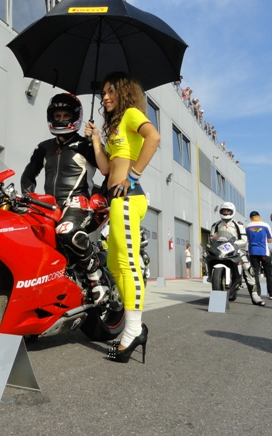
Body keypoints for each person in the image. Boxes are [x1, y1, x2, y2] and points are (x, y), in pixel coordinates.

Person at [84, 71, 160, 363]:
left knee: (128, 266)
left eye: (110, 91)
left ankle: (133, 330)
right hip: (115, 200)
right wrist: (96, 140)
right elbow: (105, 169)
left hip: (129, 198)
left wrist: (133, 175)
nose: (105, 97)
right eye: (103, 93)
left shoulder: (131, 114)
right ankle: (132, 327)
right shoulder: (116, 126)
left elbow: (154, 137)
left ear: (124, 92)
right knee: (115, 265)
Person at [21, 93, 107, 304]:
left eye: (66, 115)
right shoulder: (44, 147)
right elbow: (28, 175)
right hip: (48, 207)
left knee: (65, 230)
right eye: (57, 115)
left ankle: (96, 276)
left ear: (76, 117)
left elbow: (109, 171)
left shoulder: (86, 145)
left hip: (78, 205)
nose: (60, 119)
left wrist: (101, 197)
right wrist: (28, 198)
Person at [210, 202, 265, 306]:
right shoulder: (215, 225)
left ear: (232, 212)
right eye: (224, 211)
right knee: (207, 257)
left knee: (248, 268)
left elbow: (244, 240)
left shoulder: (238, 224)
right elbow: (211, 238)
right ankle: (211, 278)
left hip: (236, 250)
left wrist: (232, 244)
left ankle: (255, 295)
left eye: (228, 211)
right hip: (220, 250)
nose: (226, 213)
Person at [245, 211, 272, 300]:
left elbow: (246, 239)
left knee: (255, 274)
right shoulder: (265, 225)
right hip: (264, 252)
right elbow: (270, 240)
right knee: (268, 274)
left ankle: (257, 294)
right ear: (259, 216)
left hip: (252, 252)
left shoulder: (247, 226)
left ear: (250, 218)